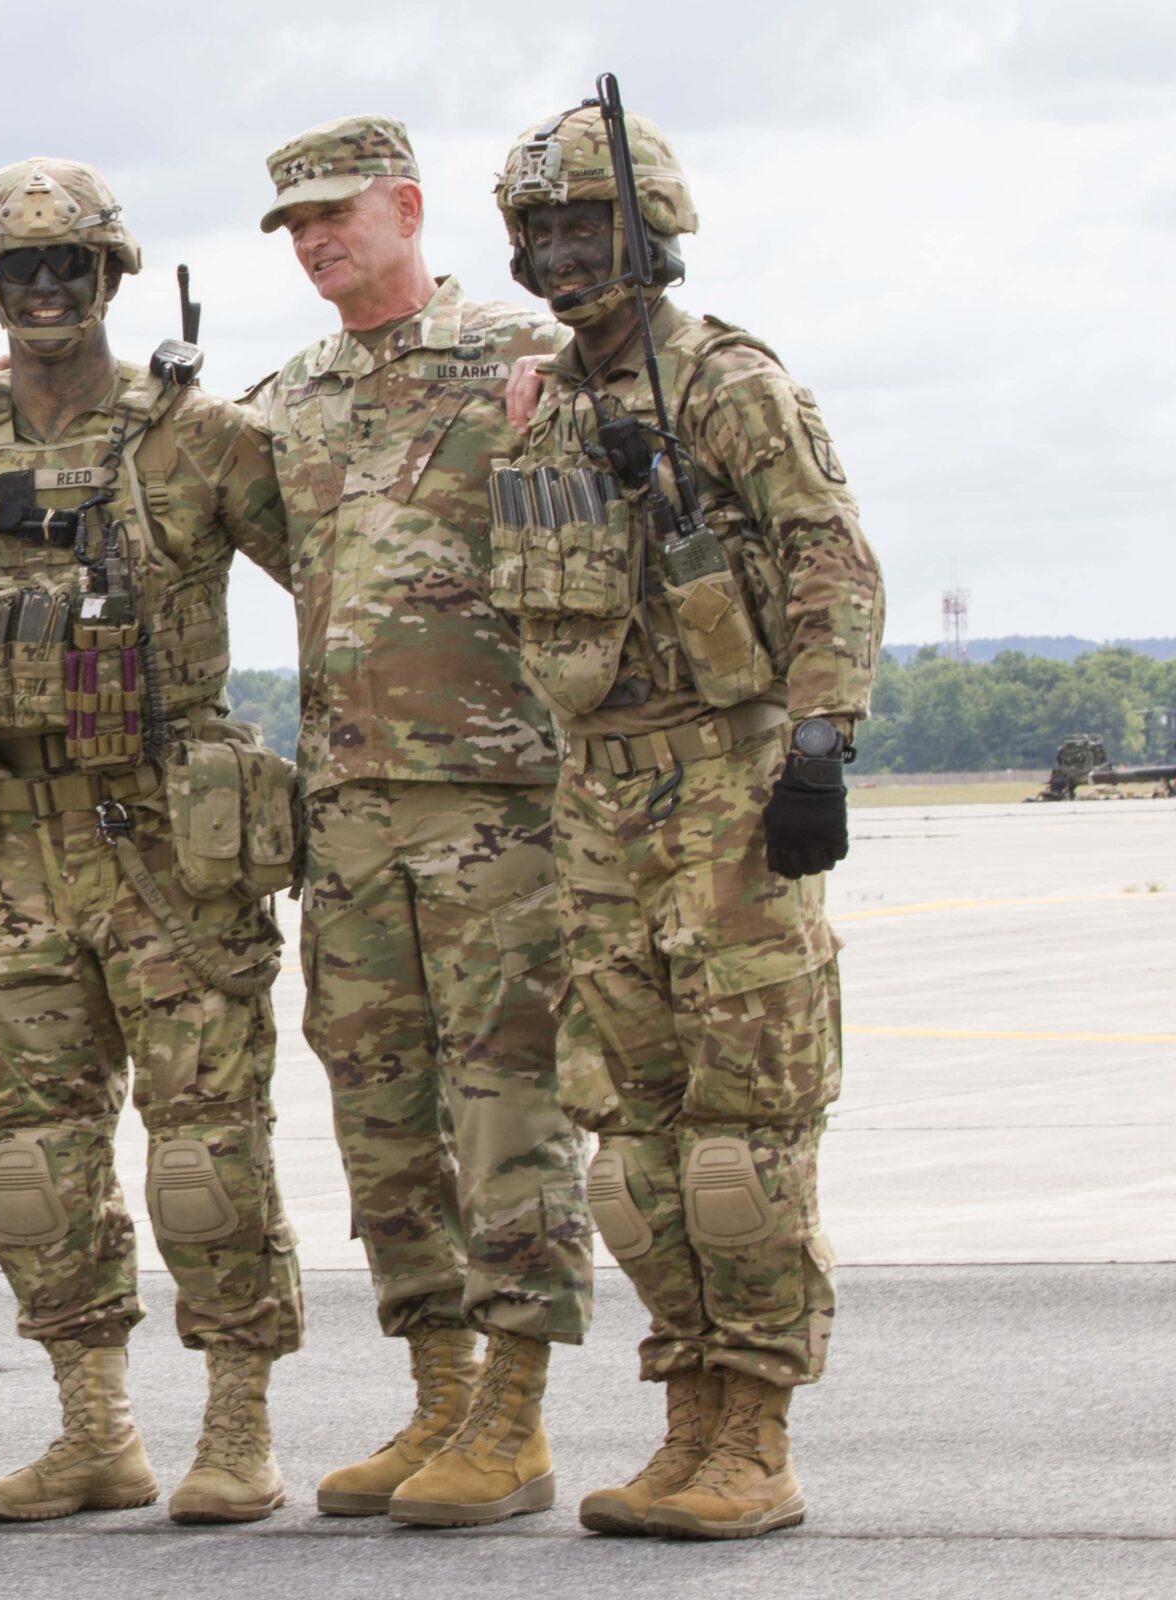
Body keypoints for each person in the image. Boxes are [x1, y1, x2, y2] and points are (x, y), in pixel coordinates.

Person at [489, 96, 883, 1539]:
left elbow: (831, 561)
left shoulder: (728, 384)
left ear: (652, 224)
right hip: (600, 790)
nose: (562, 253)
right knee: (634, 1146)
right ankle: (687, 1419)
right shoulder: (544, 396)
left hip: (727, 783)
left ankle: (756, 1437)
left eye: (587, 223)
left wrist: (818, 743)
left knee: (742, 1138)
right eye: (540, 230)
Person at [0, 158, 302, 1526]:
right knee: (32, 1159)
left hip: (164, 841)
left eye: (70, 263)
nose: (46, 289)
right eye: (20, 268)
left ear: (113, 275)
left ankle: (237, 1426)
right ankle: (95, 1432)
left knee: (205, 1152)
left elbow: (343, 583)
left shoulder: (202, 437)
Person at [248, 115, 591, 1529]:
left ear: (406, 205)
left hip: (497, 804)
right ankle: (438, 1390)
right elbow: (180, 476)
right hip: (349, 813)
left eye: (337, 211)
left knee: (508, 1106)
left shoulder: (530, 356)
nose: (316, 239)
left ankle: (515, 1412)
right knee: (379, 1112)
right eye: (295, 224)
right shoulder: (293, 399)